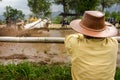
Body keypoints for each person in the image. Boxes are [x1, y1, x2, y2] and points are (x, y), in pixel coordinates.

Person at [65, 11, 118, 80]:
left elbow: (70, 37)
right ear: (103, 31)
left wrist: (83, 33)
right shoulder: (113, 44)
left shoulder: (74, 43)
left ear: (83, 30)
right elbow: (109, 37)